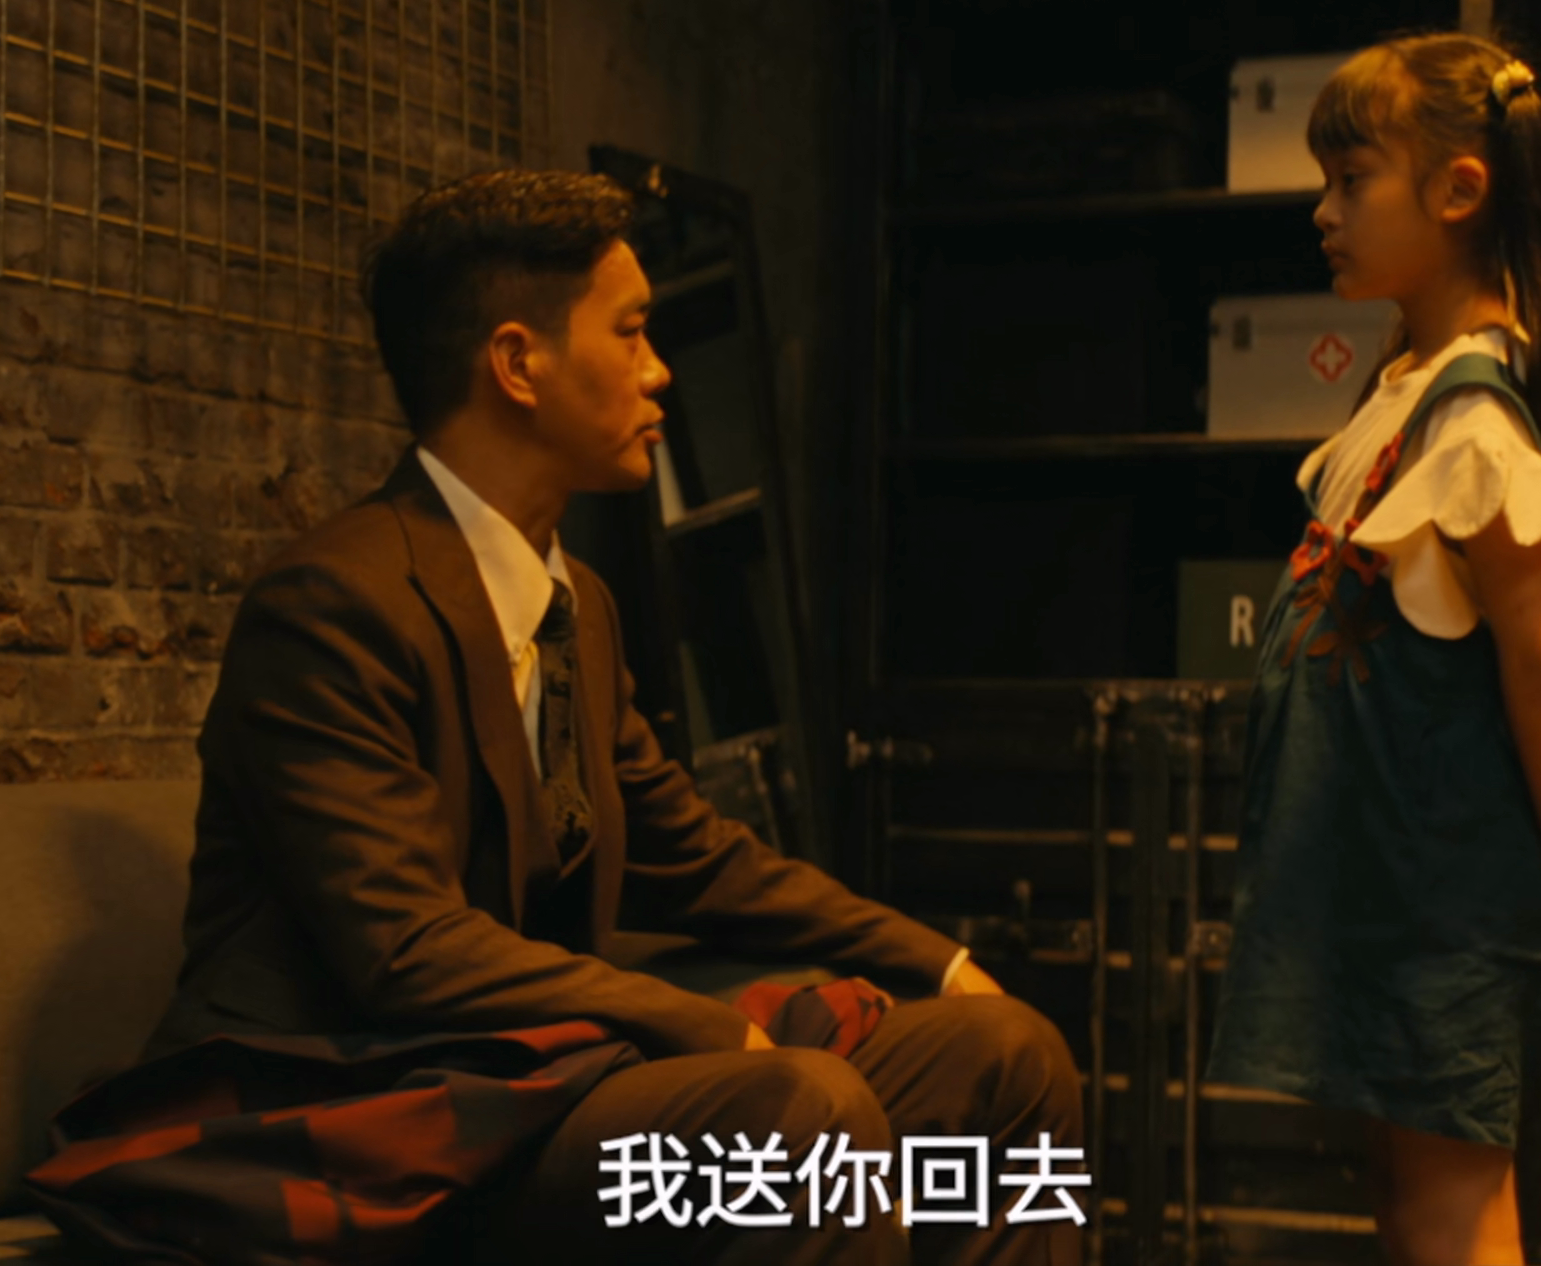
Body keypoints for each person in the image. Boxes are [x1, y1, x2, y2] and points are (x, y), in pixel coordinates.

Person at [144, 168, 1084, 1266]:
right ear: (517, 365)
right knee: (800, 1114)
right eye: (632, 332)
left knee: (1005, 1053)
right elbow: (405, 950)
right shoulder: (331, 606)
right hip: (363, 1109)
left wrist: (938, 960)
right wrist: (702, 1025)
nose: (660, 369)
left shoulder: (574, 607)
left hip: (536, 1082)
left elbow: (697, 859)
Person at [1200, 31, 1541, 1266]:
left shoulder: (1477, 417)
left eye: (1352, 181)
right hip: (1385, 883)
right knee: (1405, 1189)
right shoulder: (1409, 388)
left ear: (1457, 191)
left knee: (1451, 1202)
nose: (1323, 212)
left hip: (1443, 900)